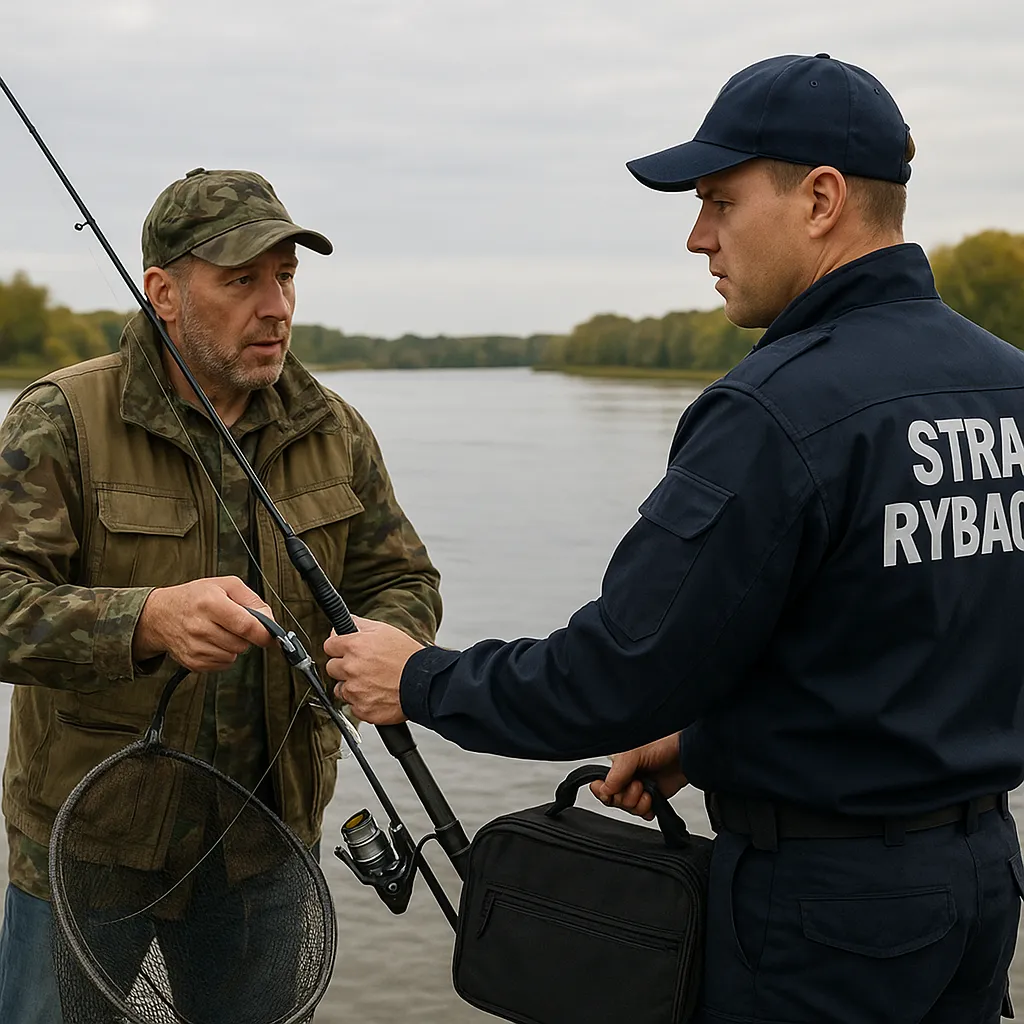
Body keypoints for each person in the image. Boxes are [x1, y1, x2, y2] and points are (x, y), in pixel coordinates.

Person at [325, 54, 1024, 1022]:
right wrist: (703, 740)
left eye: (718, 201)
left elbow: (616, 669)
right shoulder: (1006, 387)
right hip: (982, 888)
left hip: (821, 918)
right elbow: (895, 638)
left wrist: (416, 679)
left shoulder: (774, 410)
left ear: (820, 198)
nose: (698, 238)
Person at [0, 167, 442, 1023]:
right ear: (162, 292)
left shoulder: (335, 429)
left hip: (266, 847)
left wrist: (382, 644)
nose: (275, 305)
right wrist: (145, 620)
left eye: (285, 277)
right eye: (242, 280)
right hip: (86, 847)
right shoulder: (61, 418)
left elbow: (400, 578)